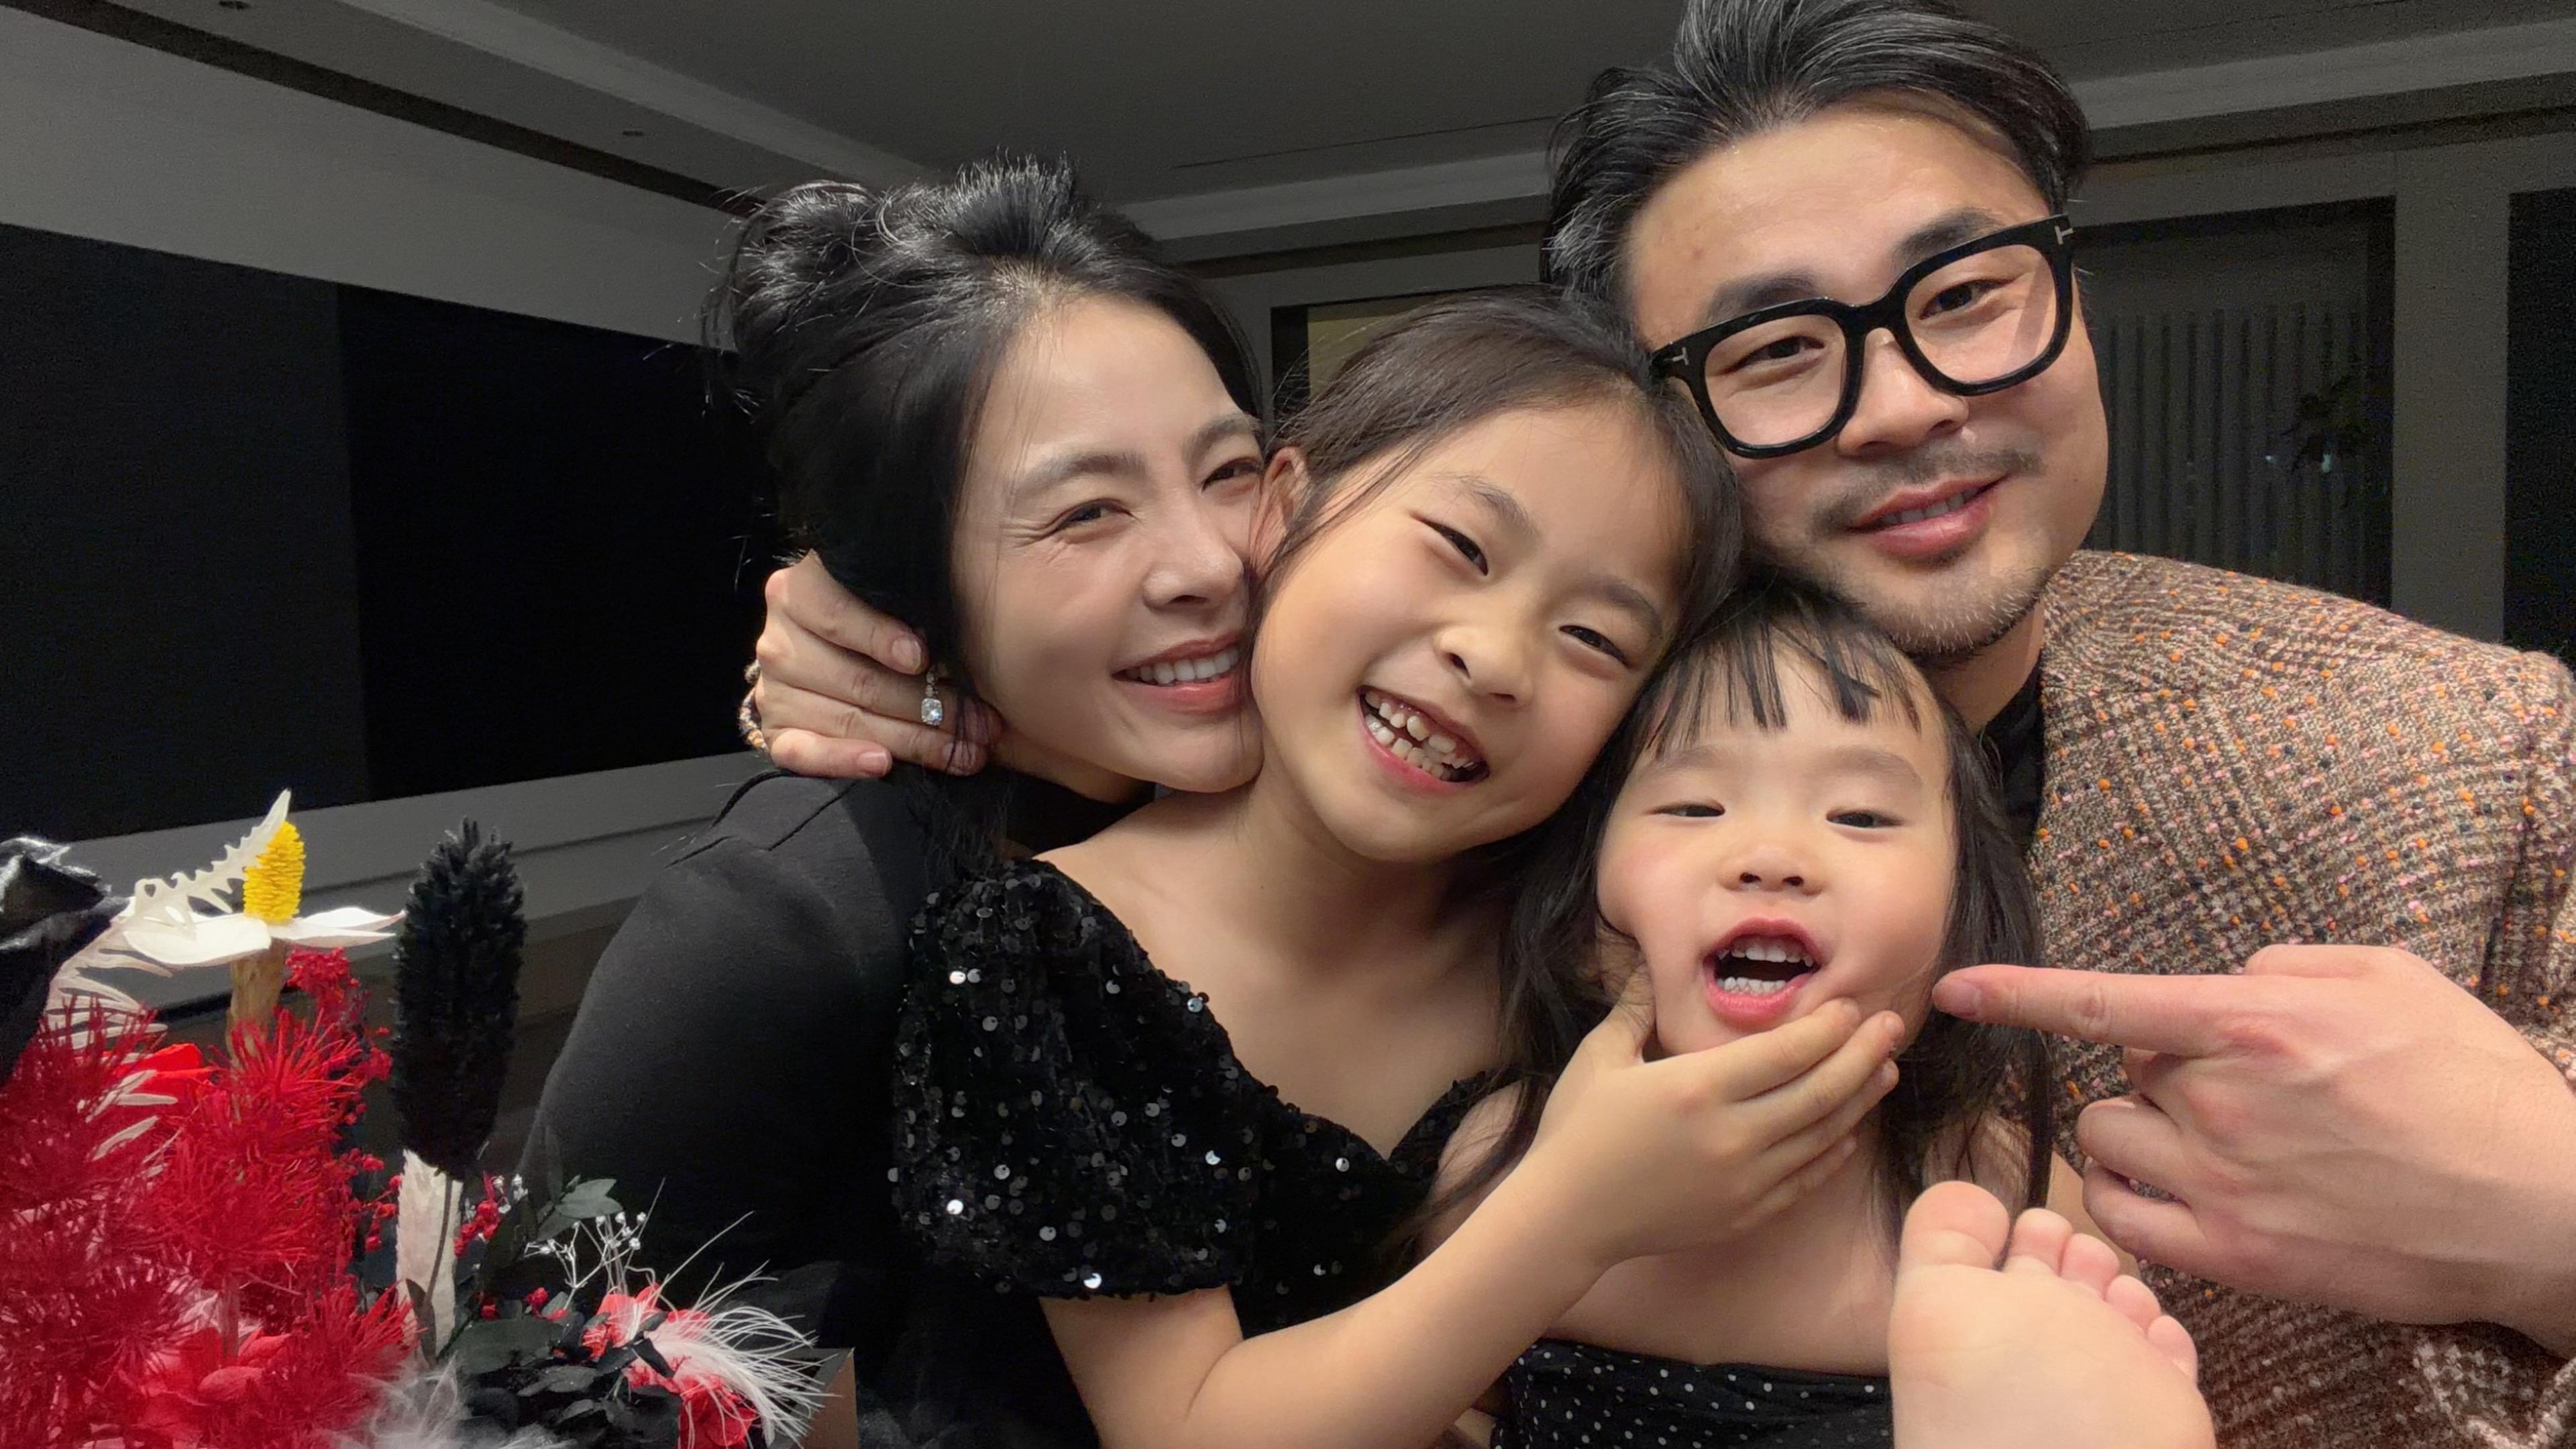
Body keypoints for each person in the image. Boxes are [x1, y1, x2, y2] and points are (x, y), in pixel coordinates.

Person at [745, 3, 2576, 1443]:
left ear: (2071, 291)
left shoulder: (2464, 754)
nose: (1905, 403)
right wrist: (930, 632)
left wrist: (2548, 1215)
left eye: (1969, 295)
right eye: (1777, 351)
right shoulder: (1535, 780)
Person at [527, 154, 1278, 1449]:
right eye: (1087, 513)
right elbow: (553, 1365)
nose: (1210, 563)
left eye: (1231, 473)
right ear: (901, 586)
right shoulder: (787, 916)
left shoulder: (1309, 799)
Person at [1430, 575, 2209, 1448]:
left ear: (1965, 923)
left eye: (1861, 816)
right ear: (1582, 921)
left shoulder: (2019, 1216)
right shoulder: (1507, 1166)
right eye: (1694, 807)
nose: (1771, 856)